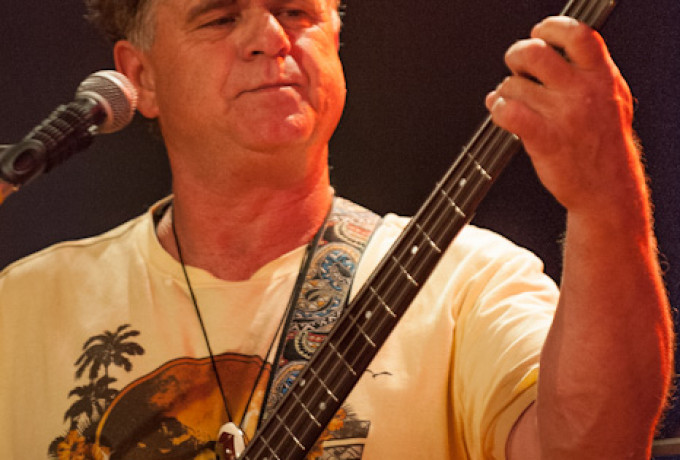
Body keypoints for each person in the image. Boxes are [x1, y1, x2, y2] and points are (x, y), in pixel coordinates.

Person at [0, 0, 672, 458]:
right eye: (220, 16)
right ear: (139, 76)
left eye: (297, 12)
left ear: (336, 41)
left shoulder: (467, 281)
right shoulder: (22, 306)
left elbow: (592, 448)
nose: (270, 36)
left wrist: (604, 199)